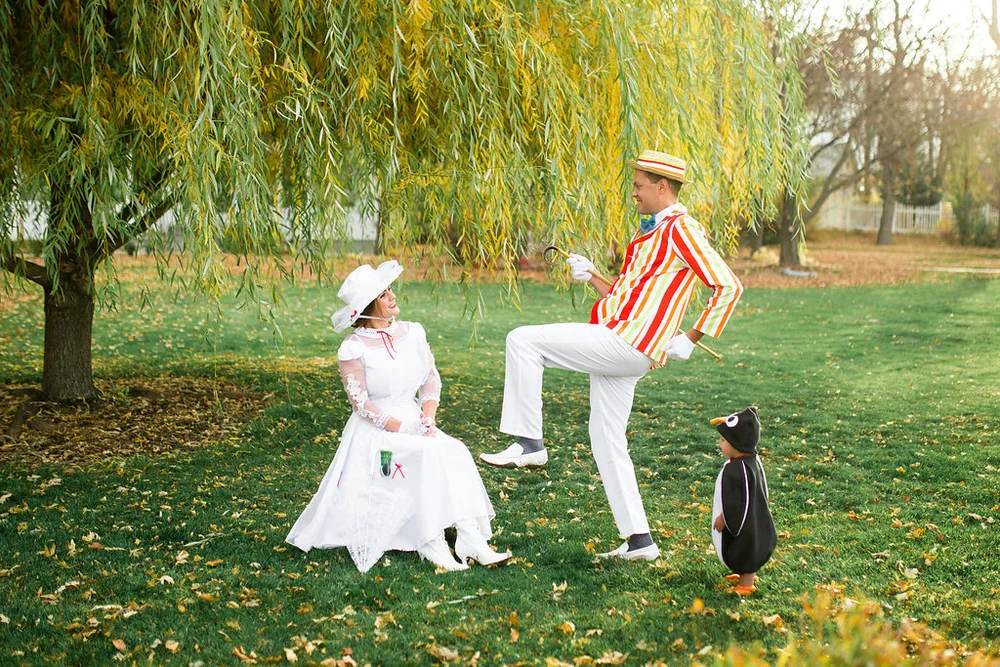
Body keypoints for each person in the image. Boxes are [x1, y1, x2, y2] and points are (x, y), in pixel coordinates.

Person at [479, 150, 744, 561]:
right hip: (626, 340)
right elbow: (626, 298)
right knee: (606, 439)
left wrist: (692, 337)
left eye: (639, 186)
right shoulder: (650, 233)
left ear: (662, 187)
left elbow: (728, 286)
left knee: (522, 341)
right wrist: (593, 276)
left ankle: (529, 442)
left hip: (627, 344)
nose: (633, 193)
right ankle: (640, 540)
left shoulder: (681, 229)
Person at [286, 260, 511, 572]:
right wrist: (402, 427)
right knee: (426, 454)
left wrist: (427, 417)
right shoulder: (353, 348)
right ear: (368, 306)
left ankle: (470, 538)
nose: (392, 296)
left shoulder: (413, 332)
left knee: (455, 449)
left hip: (415, 419)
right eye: (383, 294)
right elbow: (361, 403)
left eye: (389, 289)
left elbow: (430, 379)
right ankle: (430, 541)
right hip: (376, 430)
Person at [710, 406, 776, 595]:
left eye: (723, 440)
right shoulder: (751, 461)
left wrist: (725, 518)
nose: (719, 443)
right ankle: (744, 576)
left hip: (748, 526)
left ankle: (746, 584)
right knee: (746, 546)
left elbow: (738, 501)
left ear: (736, 444)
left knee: (745, 548)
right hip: (757, 520)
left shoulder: (737, 470)